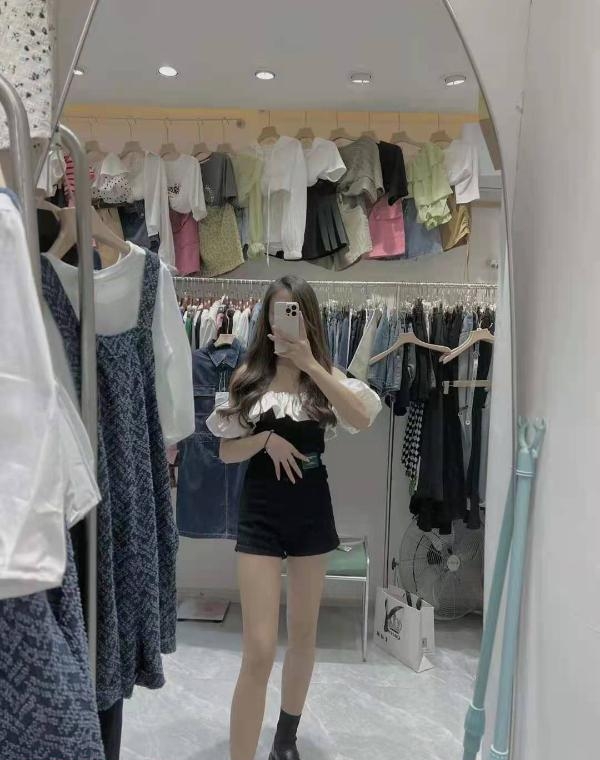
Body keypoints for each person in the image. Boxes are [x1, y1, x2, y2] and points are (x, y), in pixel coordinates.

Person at [206, 275, 381, 760]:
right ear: (266, 320)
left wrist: (310, 364)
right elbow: (225, 451)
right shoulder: (249, 377)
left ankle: (285, 739)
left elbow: (361, 418)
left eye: (294, 312)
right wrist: (265, 440)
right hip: (261, 511)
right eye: (278, 312)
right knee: (259, 648)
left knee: (303, 634)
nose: (285, 321)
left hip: (311, 509)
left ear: (307, 319)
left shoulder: (324, 376)